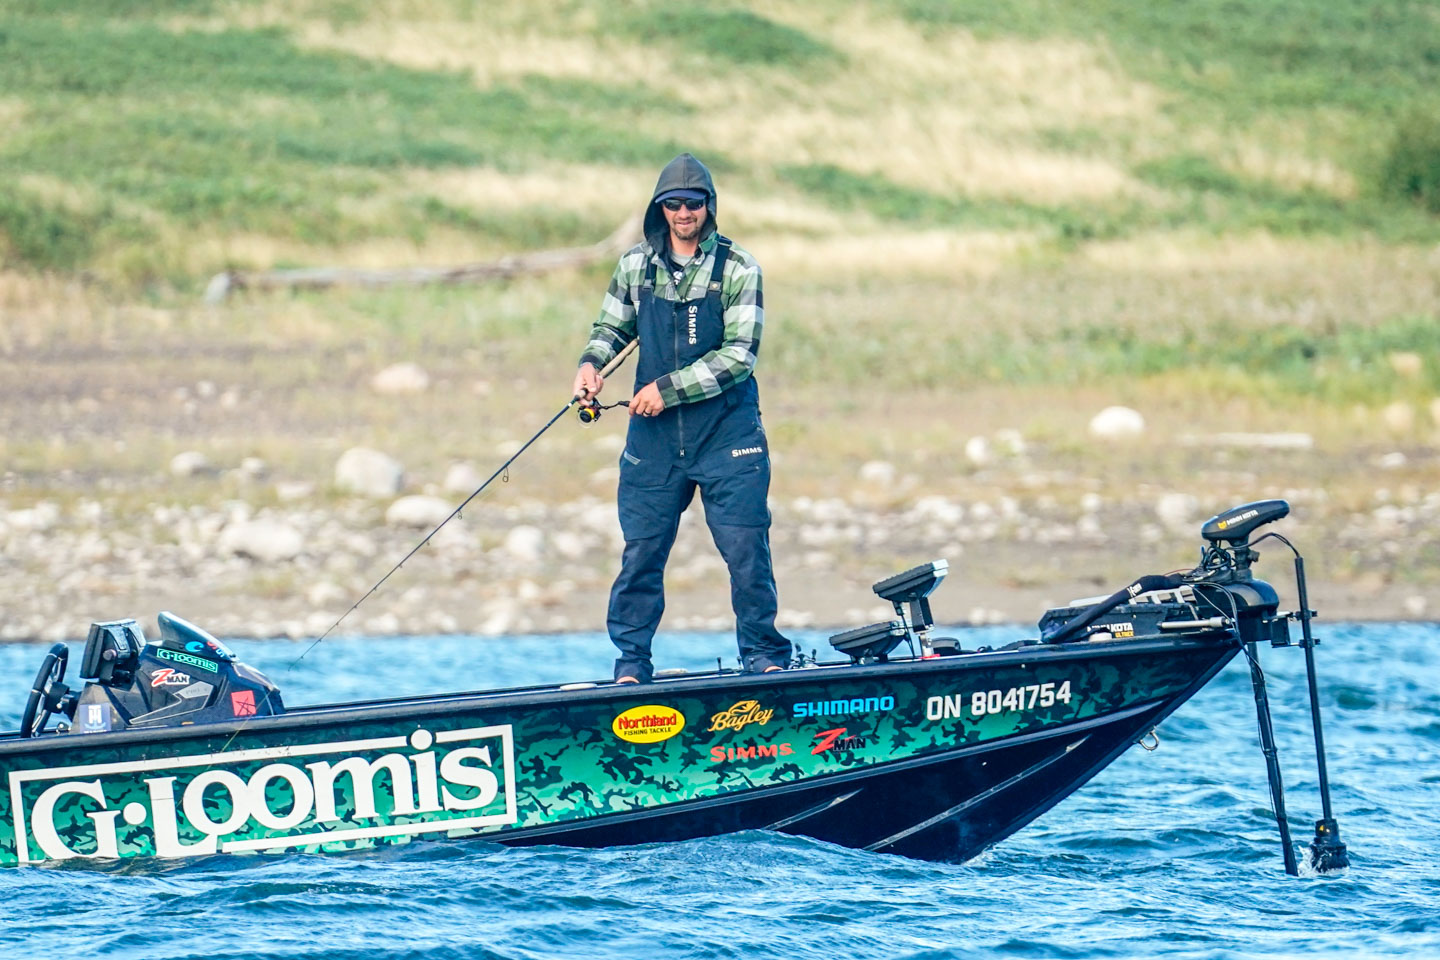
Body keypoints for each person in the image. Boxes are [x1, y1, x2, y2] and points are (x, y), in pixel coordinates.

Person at [572, 153, 792, 684]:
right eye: (673, 203)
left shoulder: (739, 268)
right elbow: (611, 328)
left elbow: (739, 356)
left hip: (728, 437)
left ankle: (764, 658)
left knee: (746, 552)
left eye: (693, 203)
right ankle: (631, 666)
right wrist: (591, 364)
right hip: (652, 442)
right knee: (641, 556)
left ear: (708, 207)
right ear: (660, 208)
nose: (684, 212)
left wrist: (666, 391)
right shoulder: (634, 265)